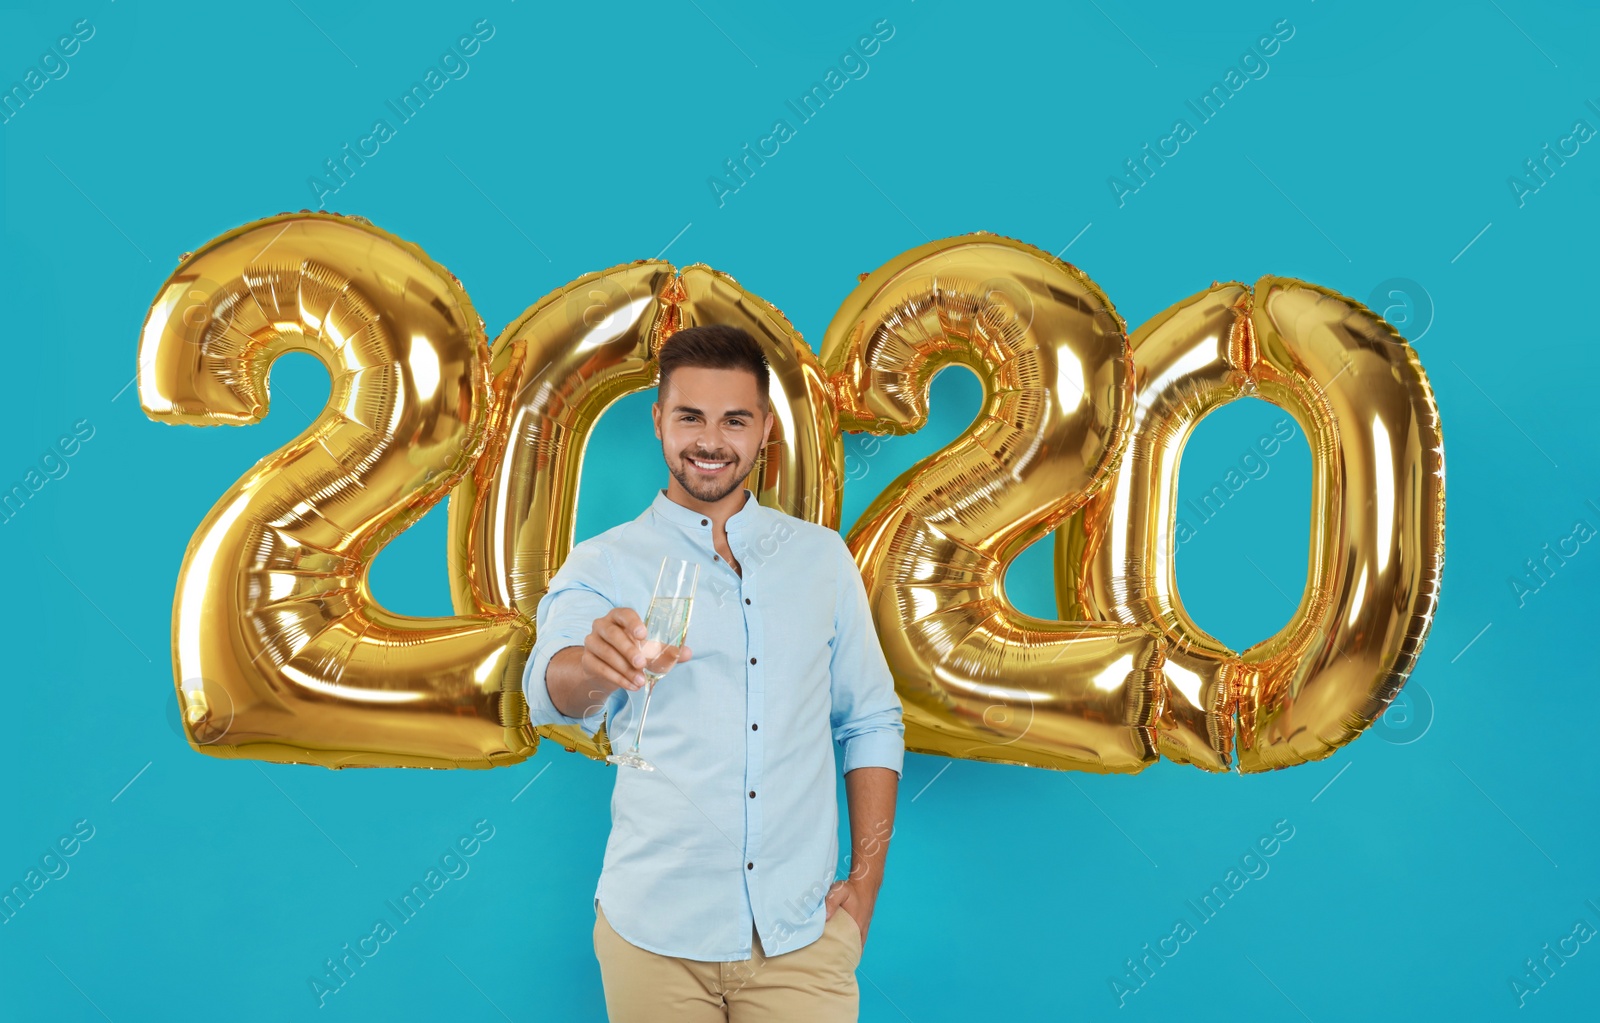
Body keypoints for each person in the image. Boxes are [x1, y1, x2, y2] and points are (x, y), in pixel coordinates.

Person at [524, 323, 904, 1021]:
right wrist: (595, 664)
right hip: (653, 938)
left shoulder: (821, 560)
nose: (710, 440)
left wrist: (868, 879)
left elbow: (872, 720)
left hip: (802, 939)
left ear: (763, 429)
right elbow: (548, 688)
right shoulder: (606, 562)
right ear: (659, 421)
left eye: (734, 420)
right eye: (690, 416)